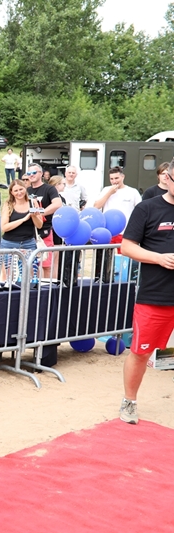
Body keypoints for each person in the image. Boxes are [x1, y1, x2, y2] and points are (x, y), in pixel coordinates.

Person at [118, 162, 174, 424]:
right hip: (155, 296)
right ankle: (129, 401)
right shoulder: (147, 208)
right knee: (141, 353)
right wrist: (158, 258)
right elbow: (127, 247)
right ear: (167, 178)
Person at [93, 166, 142, 283]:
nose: (114, 181)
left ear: (122, 177)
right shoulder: (106, 190)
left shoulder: (132, 192)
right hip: (108, 231)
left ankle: (125, 281)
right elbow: (96, 206)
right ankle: (103, 279)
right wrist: (109, 193)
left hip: (125, 231)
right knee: (105, 258)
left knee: (125, 258)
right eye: (111, 179)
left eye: (116, 178)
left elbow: (140, 210)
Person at [0, 180, 44, 284]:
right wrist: (23, 219)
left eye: (21, 189)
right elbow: (4, 227)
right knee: (8, 277)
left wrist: (33, 216)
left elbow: (39, 225)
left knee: (31, 275)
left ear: (25, 189)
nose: (19, 192)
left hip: (28, 243)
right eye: (16, 190)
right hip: (9, 243)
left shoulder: (33, 202)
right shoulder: (8, 204)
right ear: (11, 192)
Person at [25, 163, 62, 278]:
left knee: (46, 264)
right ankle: (32, 286)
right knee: (30, 265)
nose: (31, 175)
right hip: (28, 232)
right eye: (29, 173)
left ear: (41, 173)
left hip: (45, 231)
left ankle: (47, 287)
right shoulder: (26, 190)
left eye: (34, 172)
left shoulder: (49, 189)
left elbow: (57, 204)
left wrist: (40, 213)